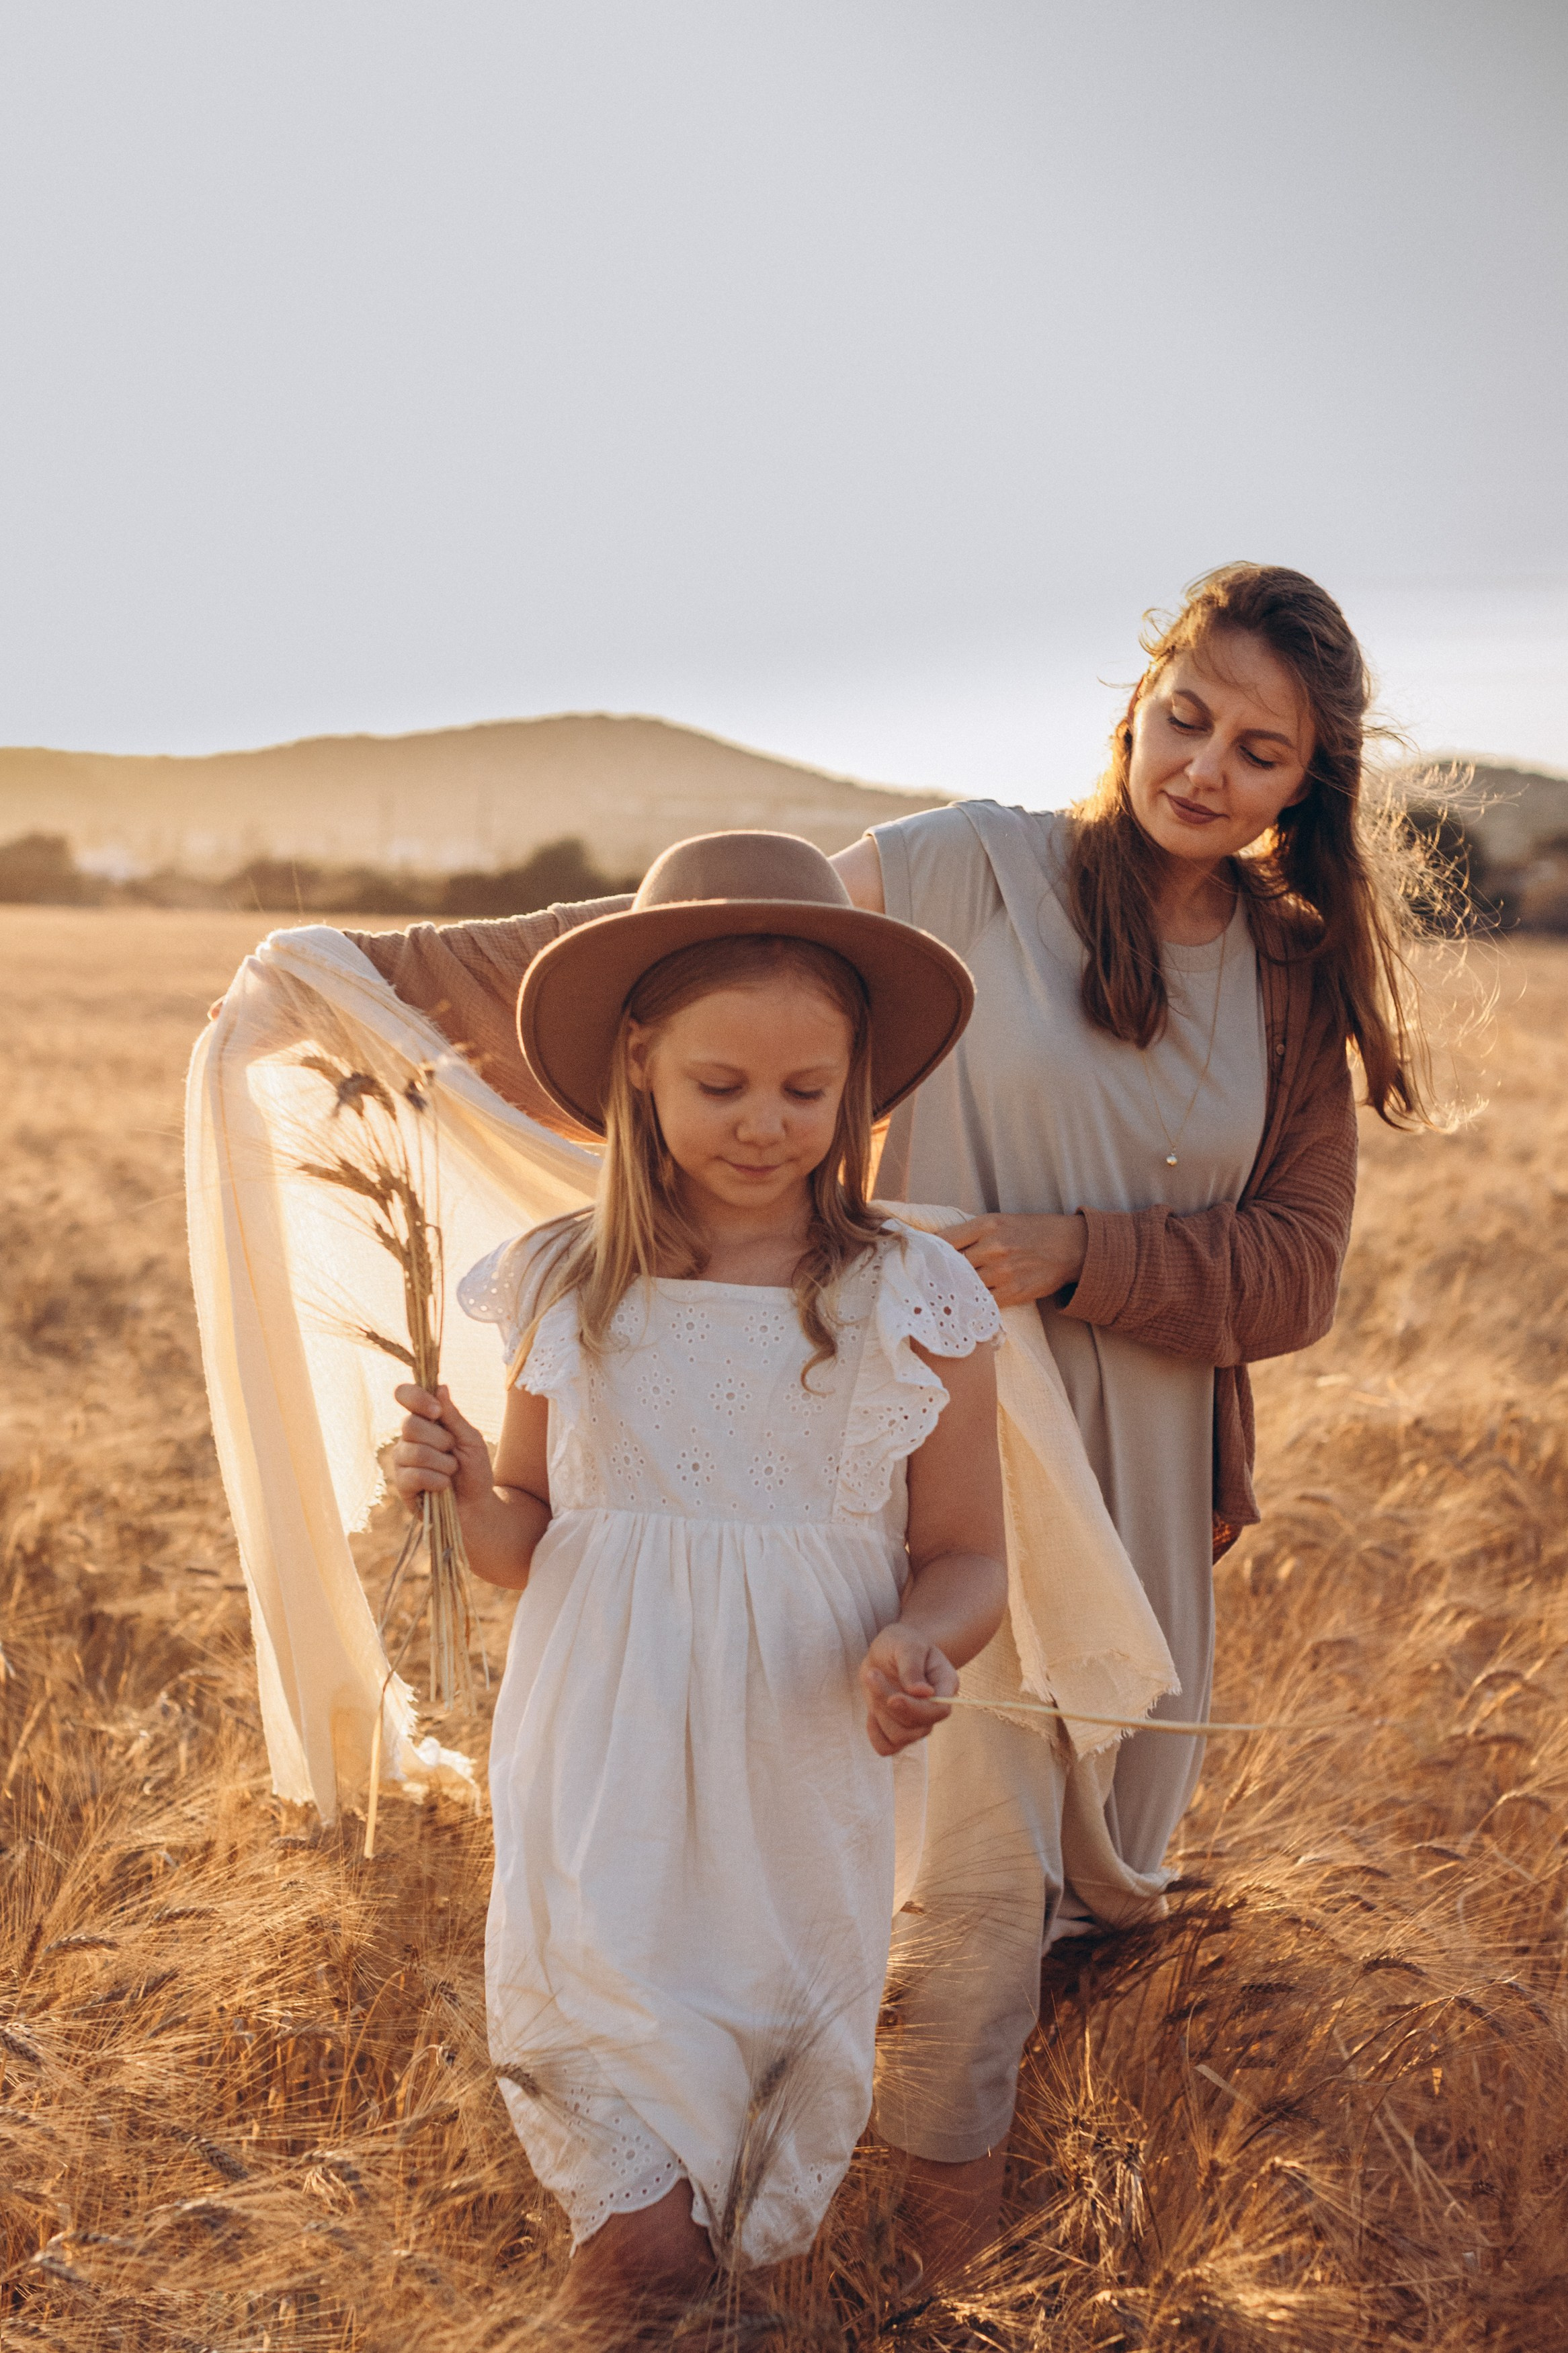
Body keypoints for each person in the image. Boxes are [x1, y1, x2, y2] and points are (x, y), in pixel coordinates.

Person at [272, 559, 1436, 2279]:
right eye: (1187, 715)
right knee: (952, 1888)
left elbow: (1294, 1270)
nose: (1205, 768)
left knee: (1052, 1905)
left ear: (1305, 787)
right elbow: (685, 951)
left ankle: (916, 2283)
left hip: (1128, 1475)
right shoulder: (971, 863)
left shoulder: (1285, 976)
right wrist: (373, 970)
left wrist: (1072, 1254)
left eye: (1262, 753)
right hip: (877, 1434)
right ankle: (858, 2262)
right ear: (1139, 695)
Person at [385, 830, 1009, 2323]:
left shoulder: (911, 1299)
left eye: (807, 1091)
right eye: (721, 1086)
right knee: (639, 2229)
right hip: (599, 1782)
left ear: (856, 1082)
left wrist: (924, 1645)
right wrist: (469, 1482)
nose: (765, 1124)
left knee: (745, 2210)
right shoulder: (563, 1282)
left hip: (798, 1779)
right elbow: (527, 1544)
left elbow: (966, 1552)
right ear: (641, 1067)